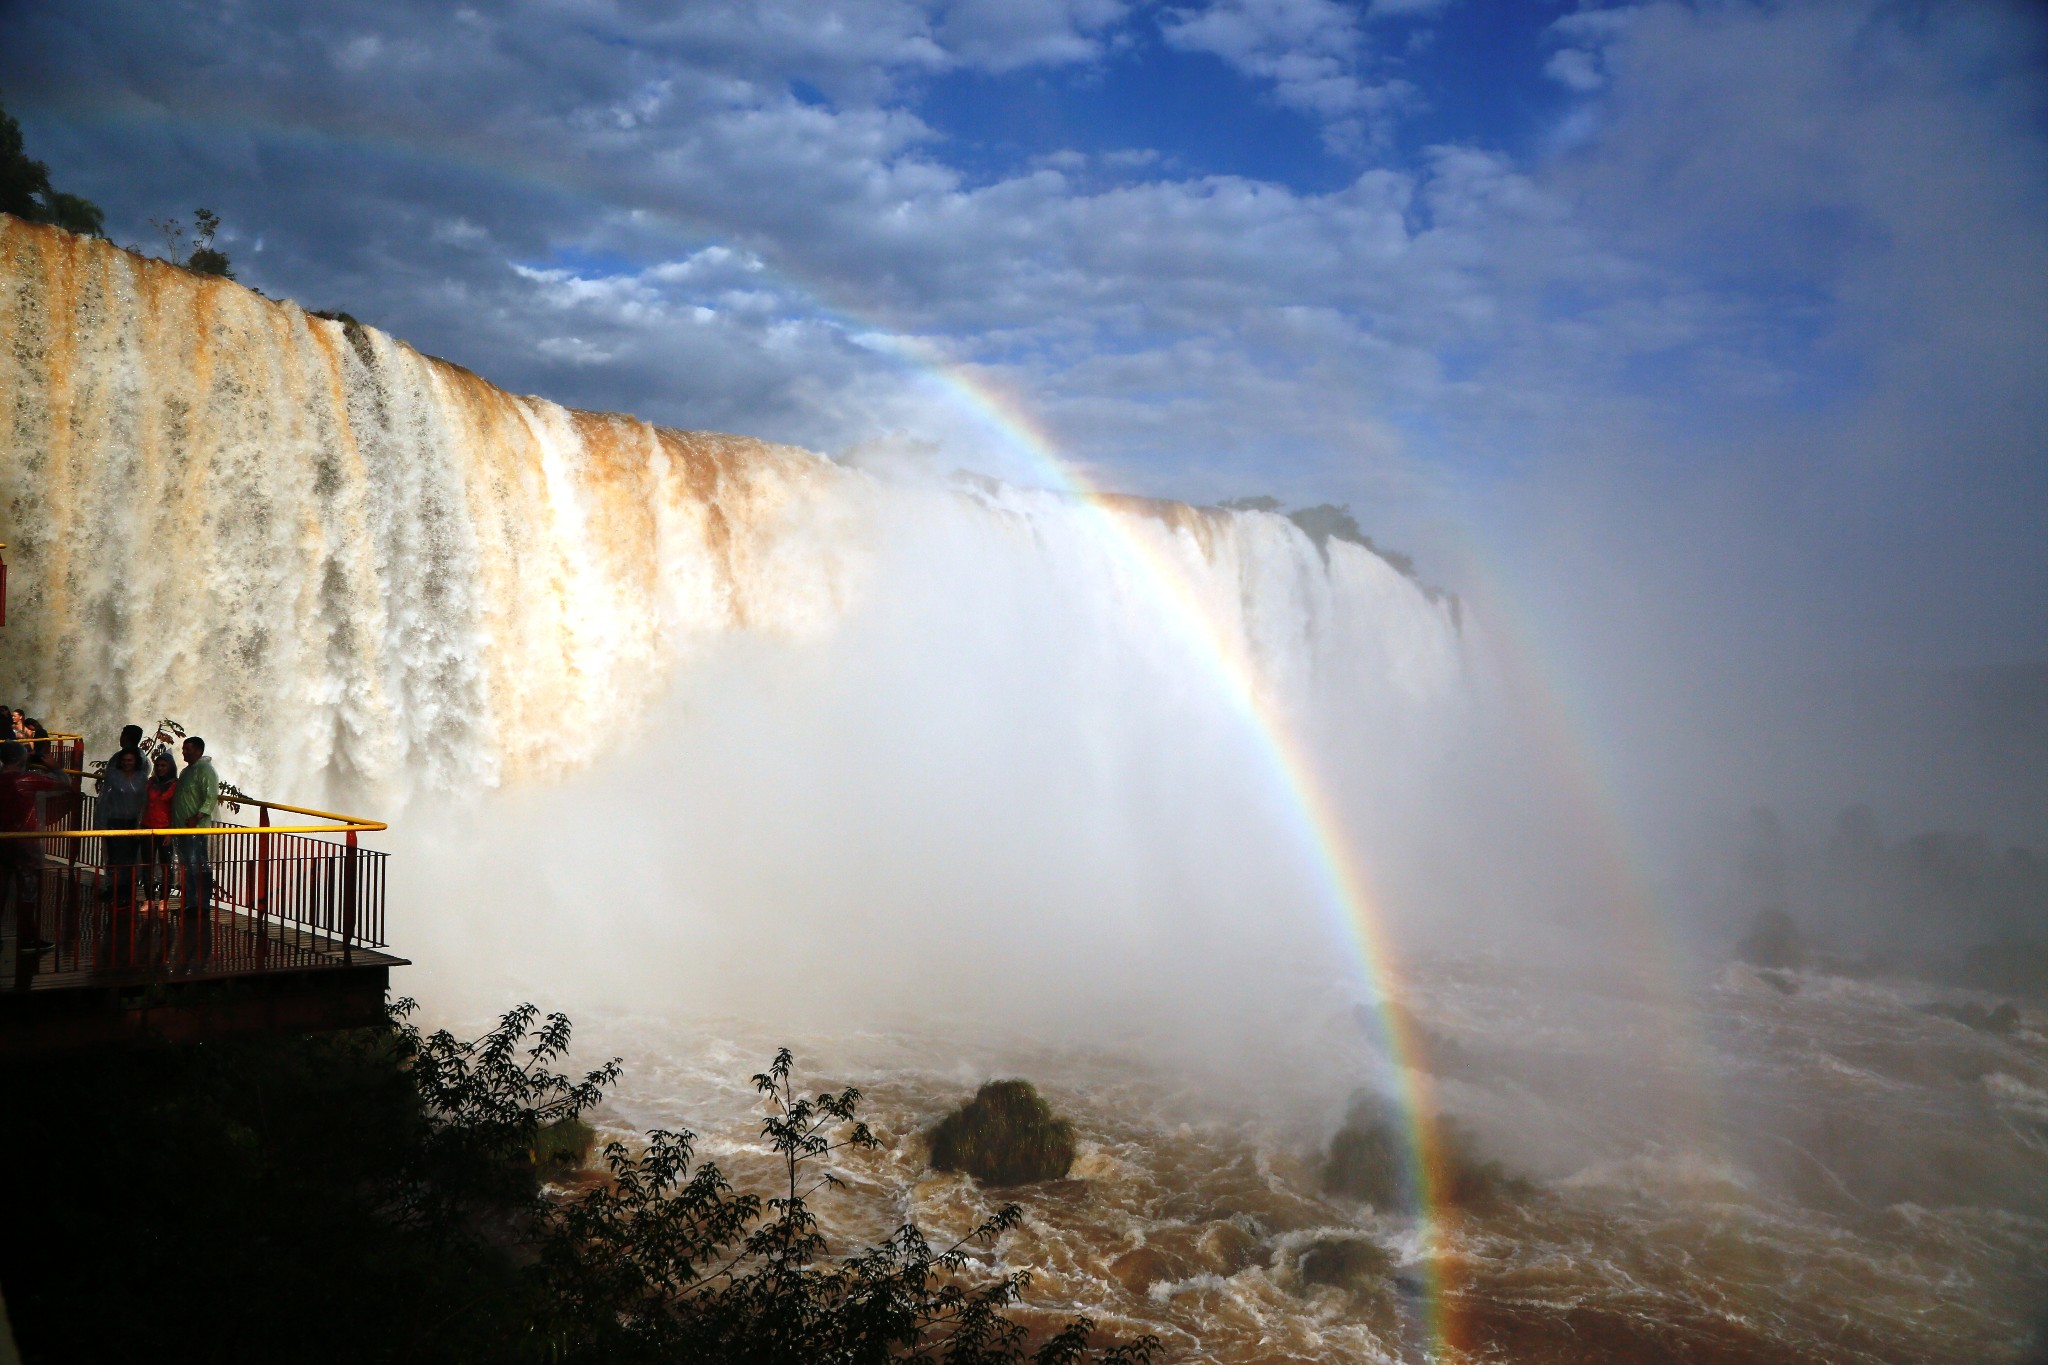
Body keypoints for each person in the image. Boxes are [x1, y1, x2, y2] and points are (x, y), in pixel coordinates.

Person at [2, 740, 68, 989]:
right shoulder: (28, 779)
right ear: (21, 759)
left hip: (2, 842)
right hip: (25, 844)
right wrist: (55, 767)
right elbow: (65, 785)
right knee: (27, 893)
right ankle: (28, 939)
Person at [171, 736, 219, 915]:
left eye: (187, 749)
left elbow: (210, 797)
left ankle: (201, 905)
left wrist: (196, 817)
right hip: (182, 827)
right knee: (188, 866)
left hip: (196, 828)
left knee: (197, 866)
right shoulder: (187, 771)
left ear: (198, 751)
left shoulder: (205, 770)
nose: (183, 752)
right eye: (183, 749)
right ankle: (191, 903)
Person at [98, 747, 148, 912]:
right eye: (124, 760)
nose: (127, 763)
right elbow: (105, 799)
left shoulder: (142, 778)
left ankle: (128, 894)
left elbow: (144, 803)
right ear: (120, 761)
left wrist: (140, 823)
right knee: (115, 858)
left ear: (136, 762)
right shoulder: (113, 776)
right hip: (115, 820)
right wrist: (102, 823)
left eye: (130, 760)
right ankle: (115, 892)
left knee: (130, 859)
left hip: (133, 822)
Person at [142, 749, 178, 913]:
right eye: (158, 765)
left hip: (165, 829)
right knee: (147, 865)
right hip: (147, 827)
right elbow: (143, 804)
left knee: (166, 866)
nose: (160, 768)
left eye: (164, 765)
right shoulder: (150, 783)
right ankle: (149, 899)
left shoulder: (175, 785)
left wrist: (171, 832)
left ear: (170, 767)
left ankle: (164, 900)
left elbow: (176, 810)